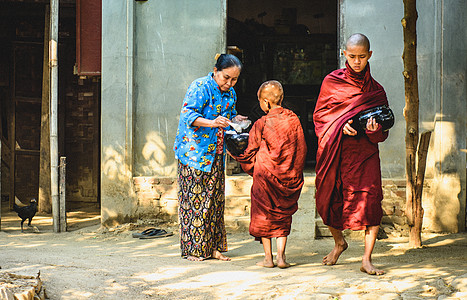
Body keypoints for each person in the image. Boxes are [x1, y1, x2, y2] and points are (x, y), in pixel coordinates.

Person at [313, 33, 390, 275]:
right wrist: (338, 126)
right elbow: (320, 117)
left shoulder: (376, 91)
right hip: (337, 152)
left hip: (365, 155)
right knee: (327, 199)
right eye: (352, 56)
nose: (357, 61)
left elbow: (383, 130)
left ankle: (366, 259)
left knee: (371, 203)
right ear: (344, 54)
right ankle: (339, 243)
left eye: (362, 57)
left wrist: (375, 129)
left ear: (369, 55)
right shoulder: (331, 82)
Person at [173, 54, 247, 261]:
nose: (229, 83)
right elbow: (188, 116)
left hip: (216, 153)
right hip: (193, 153)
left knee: (214, 202)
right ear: (215, 71)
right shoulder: (199, 87)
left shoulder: (230, 92)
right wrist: (213, 123)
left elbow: (229, 115)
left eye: (234, 80)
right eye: (226, 78)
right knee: (194, 202)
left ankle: (213, 248)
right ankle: (194, 251)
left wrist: (236, 118)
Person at [233, 80, 307, 268]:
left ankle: (268, 258)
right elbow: (302, 149)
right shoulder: (294, 120)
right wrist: (294, 171)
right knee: (282, 215)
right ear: (281, 98)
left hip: (265, 176)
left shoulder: (261, 123)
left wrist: (235, 154)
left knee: (264, 215)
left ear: (265, 102)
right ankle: (282, 258)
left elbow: (249, 151)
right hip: (287, 176)